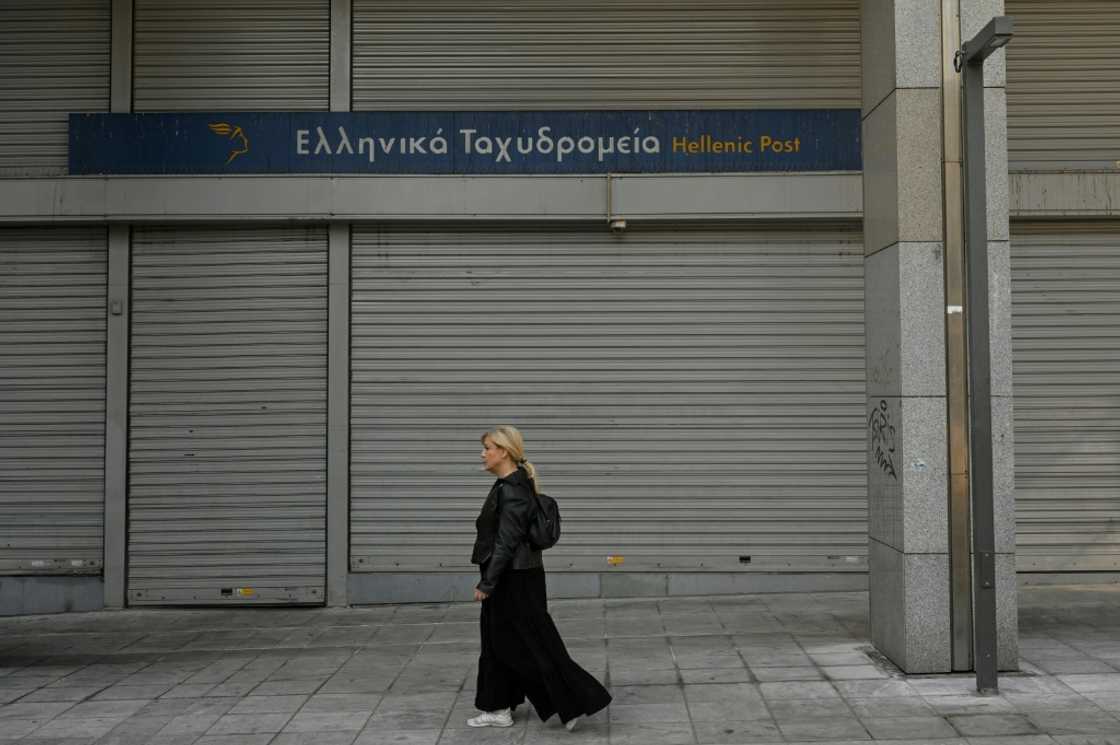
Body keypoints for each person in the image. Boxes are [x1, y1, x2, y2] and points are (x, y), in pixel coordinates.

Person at [468, 425, 612, 731]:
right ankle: (498, 707)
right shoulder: (510, 485)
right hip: (515, 574)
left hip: (512, 578)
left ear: (503, 452)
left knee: (526, 644)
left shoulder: (513, 491)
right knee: (503, 643)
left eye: (488, 448)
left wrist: (488, 583)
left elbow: (506, 542)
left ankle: (571, 702)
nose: (483, 453)